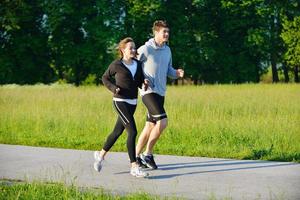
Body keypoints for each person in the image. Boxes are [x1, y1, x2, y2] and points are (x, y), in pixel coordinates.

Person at [93, 37, 148, 178]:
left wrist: (144, 82)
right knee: (133, 131)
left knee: (117, 132)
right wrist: (113, 88)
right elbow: (105, 78)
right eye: (131, 48)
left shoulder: (138, 64)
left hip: (133, 102)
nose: (134, 50)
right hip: (120, 101)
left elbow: (140, 81)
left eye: (135, 47)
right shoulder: (116, 64)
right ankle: (134, 166)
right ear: (123, 50)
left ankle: (100, 155)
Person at [135, 20, 184, 169]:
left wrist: (176, 73)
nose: (167, 34)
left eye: (168, 32)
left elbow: (168, 70)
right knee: (163, 122)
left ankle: (135, 156)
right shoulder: (146, 49)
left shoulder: (167, 50)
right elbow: (131, 65)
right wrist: (140, 79)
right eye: (164, 32)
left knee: (150, 125)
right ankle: (148, 154)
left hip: (161, 92)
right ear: (156, 33)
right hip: (147, 91)